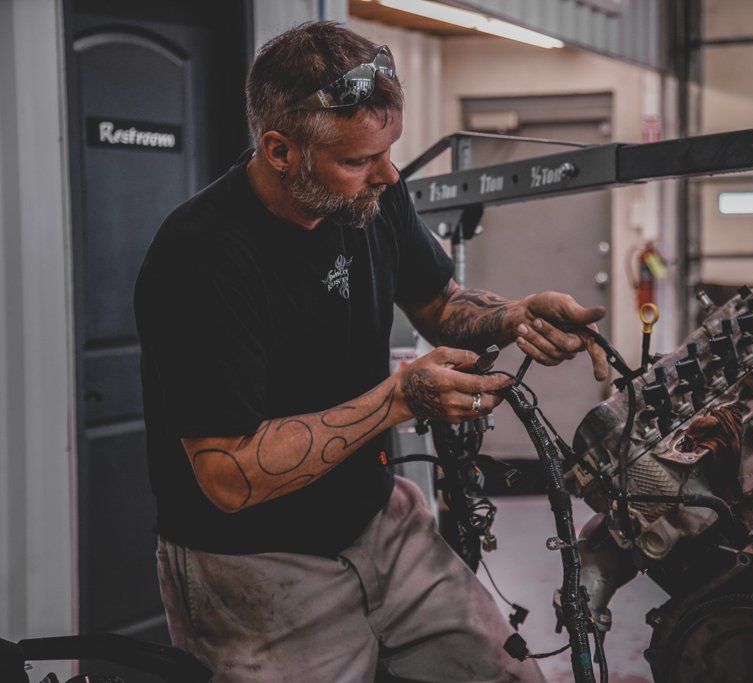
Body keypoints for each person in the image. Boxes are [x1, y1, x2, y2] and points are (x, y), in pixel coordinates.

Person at [134, 21, 608, 682]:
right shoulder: (201, 258)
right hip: (253, 570)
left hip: (378, 521)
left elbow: (439, 302)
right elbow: (227, 475)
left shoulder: (371, 199)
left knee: (509, 673)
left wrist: (513, 316)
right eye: (359, 160)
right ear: (279, 150)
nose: (387, 174)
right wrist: (400, 396)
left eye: (388, 152)